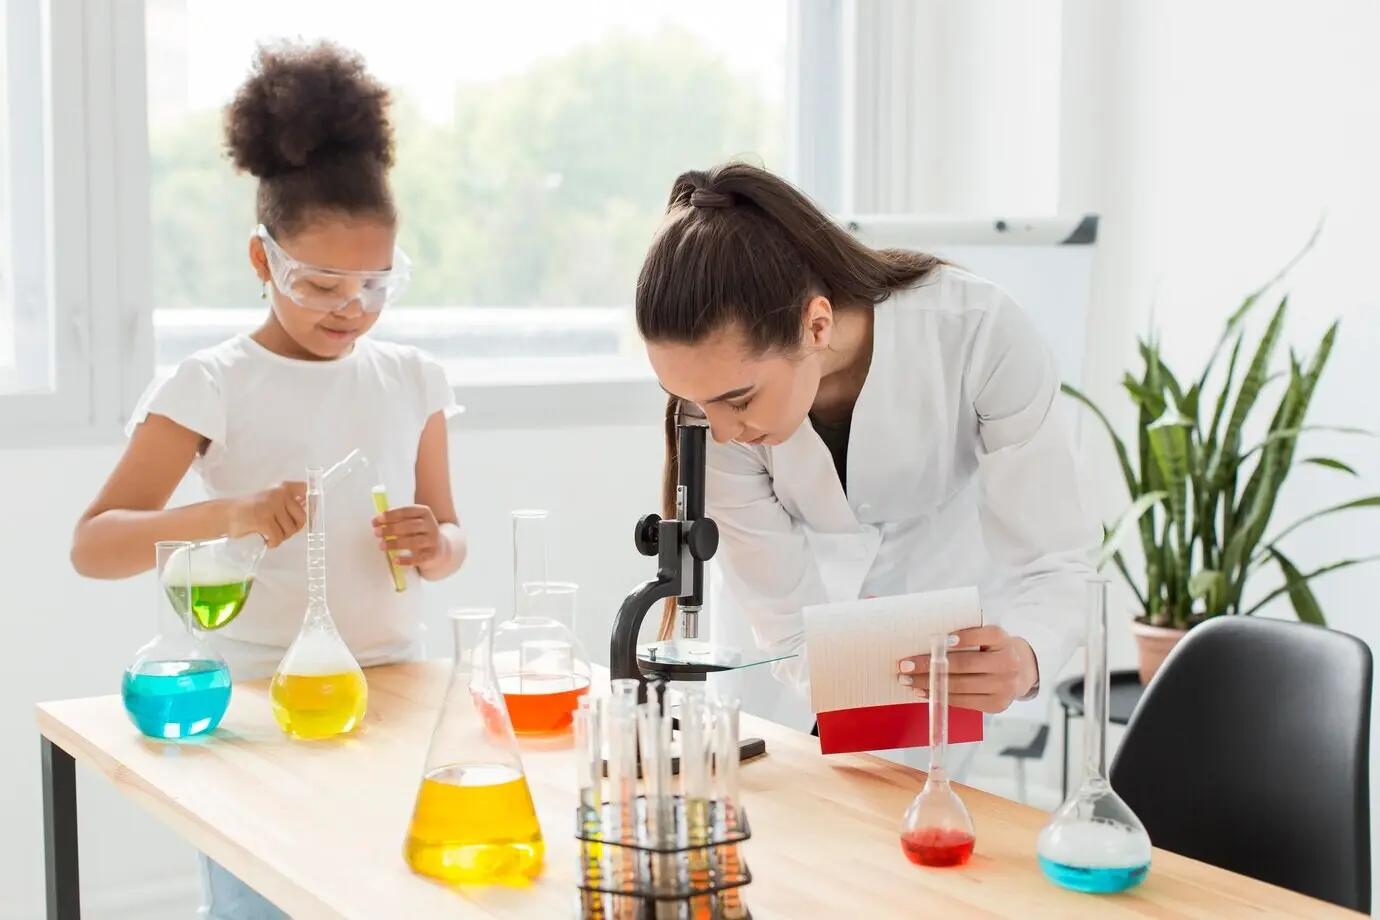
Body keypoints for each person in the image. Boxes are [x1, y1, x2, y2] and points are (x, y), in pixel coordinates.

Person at [69, 40, 465, 920]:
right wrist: (228, 513)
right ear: (262, 262)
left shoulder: (413, 379)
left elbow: (450, 536)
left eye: (374, 284)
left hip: (395, 693)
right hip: (252, 707)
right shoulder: (211, 384)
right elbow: (94, 547)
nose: (350, 309)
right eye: (321, 282)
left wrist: (435, 544)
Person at [635, 162, 1099, 747]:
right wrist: (843, 660)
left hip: (939, 633)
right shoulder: (711, 418)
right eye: (696, 403)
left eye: (739, 399)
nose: (721, 433)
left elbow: (1057, 559)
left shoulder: (979, 332)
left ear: (817, 324)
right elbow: (784, 623)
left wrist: (1027, 655)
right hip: (770, 670)